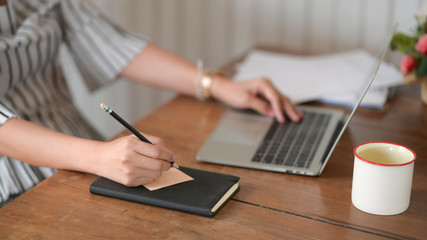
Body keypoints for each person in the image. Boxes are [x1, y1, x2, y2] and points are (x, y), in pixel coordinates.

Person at [0, 0, 303, 206]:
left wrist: (214, 84)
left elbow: (109, 44)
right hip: (15, 182)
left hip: (79, 147)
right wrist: (97, 157)